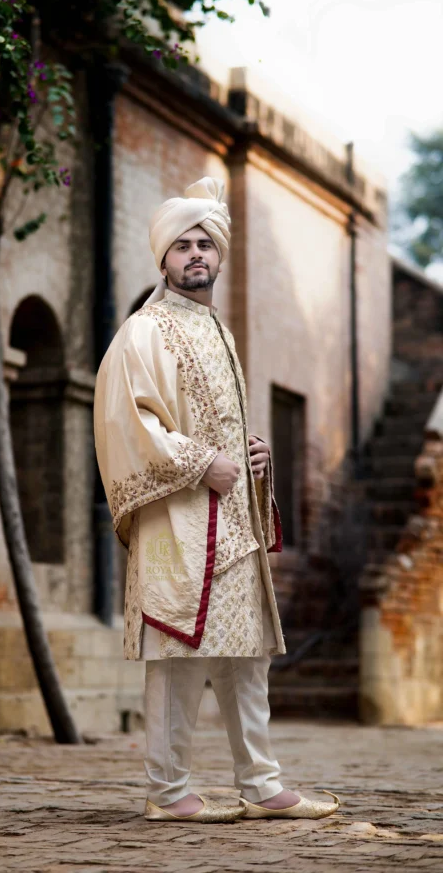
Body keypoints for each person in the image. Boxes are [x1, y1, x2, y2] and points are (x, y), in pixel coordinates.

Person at [93, 177, 340, 823]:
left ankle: (261, 784)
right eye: (183, 245)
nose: (196, 254)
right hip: (180, 522)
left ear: (218, 254)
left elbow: (217, 424)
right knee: (177, 659)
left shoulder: (220, 333)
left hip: (233, 525)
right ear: (164, 257)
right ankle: (168, 792)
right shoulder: (142, 333)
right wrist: (203, 462)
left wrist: (254, 453)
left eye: (206, 243)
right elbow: (128, 424)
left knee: (246, 657)